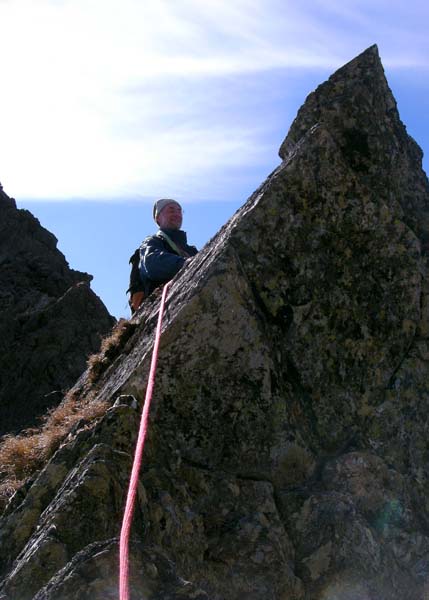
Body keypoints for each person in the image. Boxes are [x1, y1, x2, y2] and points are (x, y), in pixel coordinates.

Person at [129, 199, 198, 312]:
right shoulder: (152, 242)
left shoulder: (191, 250)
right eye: (171, 210)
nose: (177, 214)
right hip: (161, 306)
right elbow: (152, 264)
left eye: (180, 211)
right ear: (158, 218)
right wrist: (185, 263)